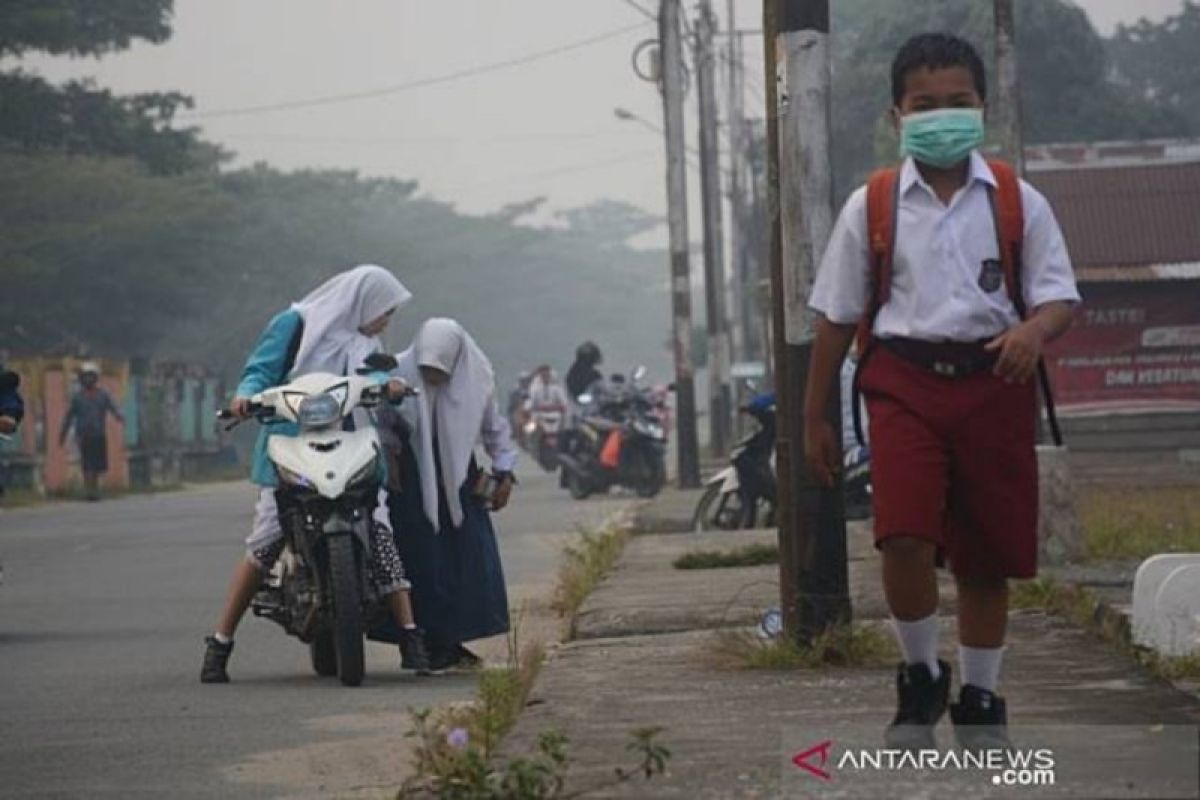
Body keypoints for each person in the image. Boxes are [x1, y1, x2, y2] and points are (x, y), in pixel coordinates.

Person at [803, 34, 1079, 751]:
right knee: (904, 535)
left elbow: (1059, 298)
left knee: (988, 552)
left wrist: (1033, 332)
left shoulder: (1019, 202)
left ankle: (983, 696)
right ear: (897, 114)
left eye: (959, 103)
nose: (943, 117)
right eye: (925, 106)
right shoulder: (873, 205)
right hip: (904, 383)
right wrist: (816, 417)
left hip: (996, 382)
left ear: (981, 106)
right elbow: (834, 318)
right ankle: (921, 676)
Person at [200, 264, 431, 683]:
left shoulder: (365, 341)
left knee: (379, 527)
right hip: (290, 443)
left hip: (354, 445)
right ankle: (220, 641)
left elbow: (373, 374)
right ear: (363, 300)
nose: (385, 320)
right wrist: (247, 396)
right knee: (267, 538)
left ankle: (412, 637)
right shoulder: (295, 323)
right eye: (385, 310)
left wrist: (390, 384)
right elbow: (260, 369)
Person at [383, 318, 518, 672]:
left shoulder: (478, 378)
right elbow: (381, 419)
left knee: (464, 558)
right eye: (427, 370)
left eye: (441, 371)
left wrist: (504, 470)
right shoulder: (397, 373)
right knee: (417, 556)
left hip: (458, 478)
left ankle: (448, 641)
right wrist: (389, 455)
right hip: (410, 478)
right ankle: (419, 640)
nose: (433, 379)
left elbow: (494, 428)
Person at [59, 362, 124, 501]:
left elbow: (114, 407)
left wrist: (119, 416)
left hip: (99, 433)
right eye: (85, 377)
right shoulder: (77, 397)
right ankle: (89, 491)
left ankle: (94, 488)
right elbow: (69, 416)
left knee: (98, 465)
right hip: (83, 435)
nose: (88, 380)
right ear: (82, 379)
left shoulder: (103, 394)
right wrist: (62, 434)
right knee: (87, 464)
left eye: (91, 377)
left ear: (96, 378)